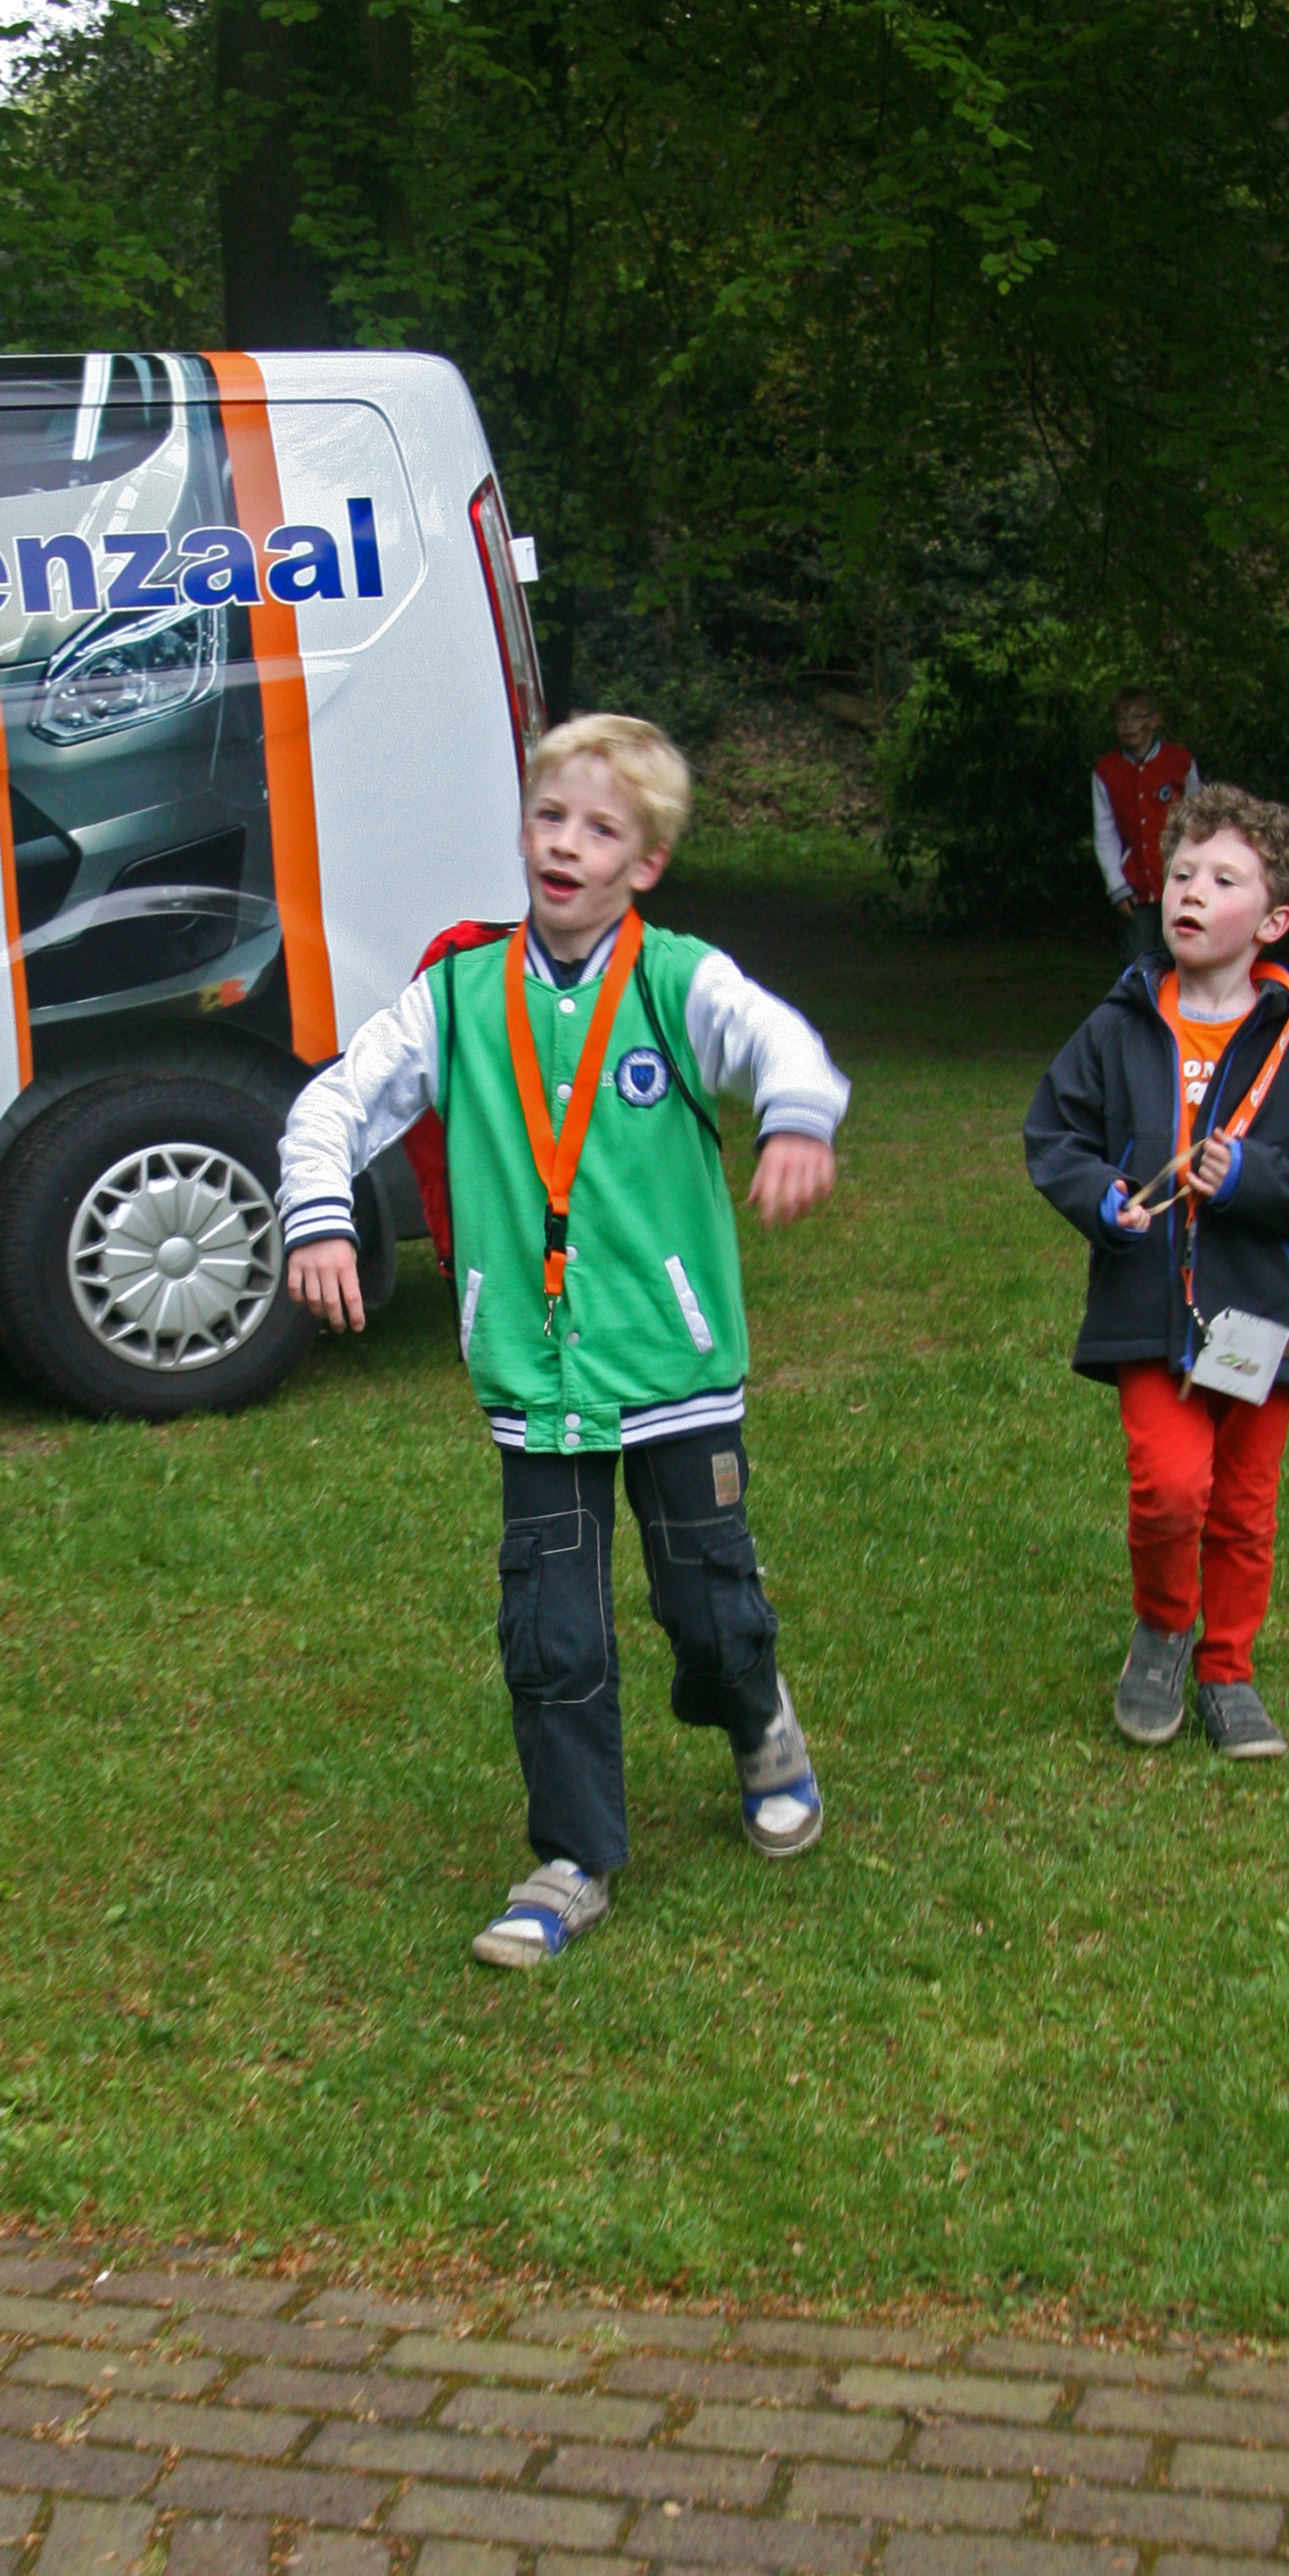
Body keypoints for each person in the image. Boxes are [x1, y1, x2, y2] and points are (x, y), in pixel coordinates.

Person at [278, 712, 850, 1969]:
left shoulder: (675, 982)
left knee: (708, 1607)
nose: (565, 844)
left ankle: (756, 1717)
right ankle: (572, 1859)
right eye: (549, 817)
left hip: (672, 1368)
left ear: (645, 863)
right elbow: (334, 1103)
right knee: (552, 1631)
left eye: (600, 829)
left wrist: (797, 1116)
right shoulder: (457, 995)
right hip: (534, 1377)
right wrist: (317, 1213)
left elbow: (779, 1041)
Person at [1025, 789, 1289, 1759]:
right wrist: (1101, 1198)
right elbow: (1053, 1133)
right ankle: (1165, 1628)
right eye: (1180, 874)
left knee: (1243, 1505)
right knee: (1170, 1489)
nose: (1190, 892)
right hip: (1145, 1307)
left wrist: (1254, 1179)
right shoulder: (1119, 1023)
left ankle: (1228, 1671)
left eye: (1221, 880)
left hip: (1252, 1317)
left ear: (1270, 922)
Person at [1095, 690, 1198, 958]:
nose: (1128, 725)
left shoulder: (1180, 761)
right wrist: (1117, 887)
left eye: (1136, 717)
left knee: (1179, 958)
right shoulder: (1106, 770)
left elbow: (1198, 820)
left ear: (1154, 720)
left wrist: (1195, 874)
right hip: (1134, 888)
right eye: (1121, 719)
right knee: (1138, 964)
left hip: (1177, 880)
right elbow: (1105, 833)